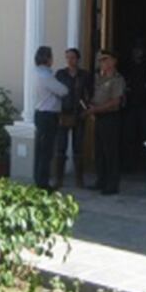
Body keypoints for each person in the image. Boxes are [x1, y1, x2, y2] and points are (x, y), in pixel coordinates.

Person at [82, 49, 125, 195]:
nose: (103, 63)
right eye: (101, 60)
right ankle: (101, 180)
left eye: (106, 59)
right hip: (98, 118)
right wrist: (90, 106)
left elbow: (115, 102)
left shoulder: (117, 79)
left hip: (110, 118)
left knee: (110, 152)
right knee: (99, 151)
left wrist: (96, 109)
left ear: (113, 61)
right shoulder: (98, 78)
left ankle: (112, 184)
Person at [52, 47, 93, 188]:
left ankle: (79, 180)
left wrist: (86, 109)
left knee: (78, 148)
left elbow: (90, 93)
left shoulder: (84, 75)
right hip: (63, 113)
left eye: (73, 57)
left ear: (78, 59)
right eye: (68, 57)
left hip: (79, 114)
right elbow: (55, 93)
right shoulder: (60, 74)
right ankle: (59, 179)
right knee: (61, 148)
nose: (70, 60)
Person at [32, 45, 68, 191]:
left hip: (41, 114)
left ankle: (39, 180)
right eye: (51, 56)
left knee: (41, 150)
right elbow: (63, 90)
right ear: (47, 58)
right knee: (46, 151)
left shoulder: (36, 73)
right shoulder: (45, 75)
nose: (52, 59)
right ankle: (43, 184)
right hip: (47, 115)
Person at [121, 42, 146, 173]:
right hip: (131, 107)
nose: (137, 52)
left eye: (140, 49)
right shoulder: (128, 66)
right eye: (135, 50)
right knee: (128, 136)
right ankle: (128, 166)